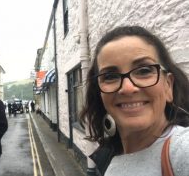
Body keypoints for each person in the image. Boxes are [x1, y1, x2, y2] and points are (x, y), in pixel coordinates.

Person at [80, 26, 189, 176]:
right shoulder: (108, 157)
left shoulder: (183, 149)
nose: (128, 88)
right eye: (110, 76)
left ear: (168, 86)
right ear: (100, 93)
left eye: (144, 71)